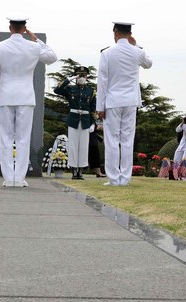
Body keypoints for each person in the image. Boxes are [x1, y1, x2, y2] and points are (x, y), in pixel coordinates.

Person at [0, 17, 57, 187]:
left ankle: (8, 178)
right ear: (24, 28)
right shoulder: (33, 47)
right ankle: (19, 178)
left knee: (5, 138)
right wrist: (36, 39)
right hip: (26, 96)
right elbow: (52, 57)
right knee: (23, 138)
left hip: (5, 97)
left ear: (10, 27)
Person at [96, 21, 152, 186]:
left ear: (115, 32)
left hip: (113, 101)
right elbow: (148, 63)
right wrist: (138, 45)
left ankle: (113, 178)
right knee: (128, 140)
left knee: (112, 140)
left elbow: (102, 81)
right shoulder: (136, 52)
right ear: (130, 33)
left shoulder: (107, 53)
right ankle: (125, 178)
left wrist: (100, 107)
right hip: (130, 101)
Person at [53, 66, 96, 180]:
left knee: (83, 146)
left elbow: (93, 108)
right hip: (73, 120)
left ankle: (80, 171)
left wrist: (93, 123)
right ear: (75, 76)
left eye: (84, 75)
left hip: (86, 121)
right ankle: (74, 171)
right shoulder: (70, 88)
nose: (82, 77)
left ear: (87, 76)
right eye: (79, 75)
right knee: (73, 146)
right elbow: (56, 90)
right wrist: (69, 79)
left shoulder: (91, 91)